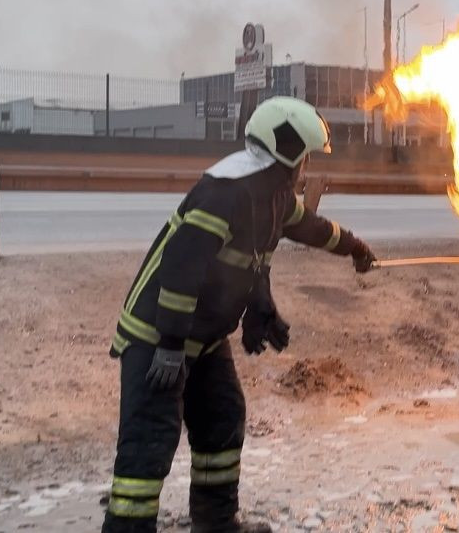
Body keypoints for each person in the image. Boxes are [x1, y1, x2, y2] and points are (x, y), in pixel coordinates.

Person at [102, 97, 376, 533]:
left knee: (222, 422)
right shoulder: (224, 192)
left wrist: (356, 249)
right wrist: (170, 347)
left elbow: (309, 229)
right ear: (288, 152)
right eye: (305, 156)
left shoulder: (272, 195)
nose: (306, 166)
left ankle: (216, 522)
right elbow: (181, 268)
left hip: (205, 339)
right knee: (149, 443)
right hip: (157, 338)